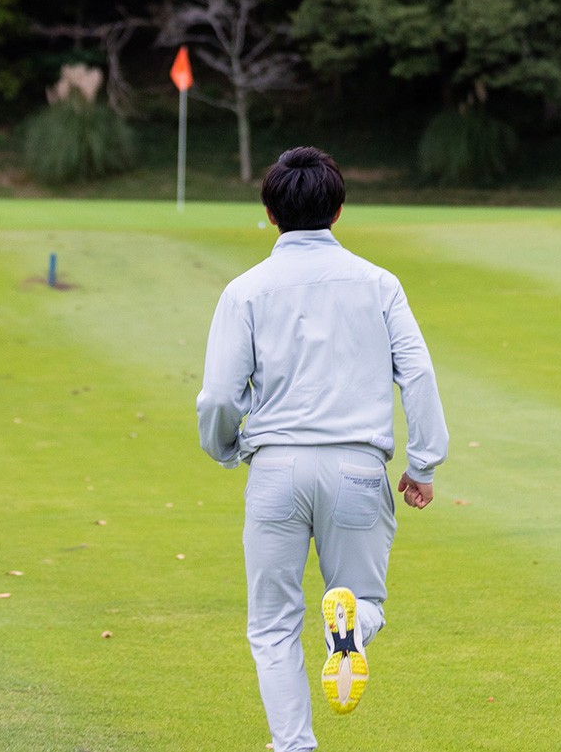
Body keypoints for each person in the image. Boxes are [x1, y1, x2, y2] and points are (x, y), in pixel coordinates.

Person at [197, 146, 449, 752]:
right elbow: (417, 374)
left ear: (269, 212)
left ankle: (294, 745)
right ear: (339, 210)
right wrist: (423, 464)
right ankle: (353, 628)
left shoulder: (245, 290)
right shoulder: (380, 284)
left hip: (277, 466)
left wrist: (225, 449)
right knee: (365, 600)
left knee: (273, 623)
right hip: (359, 467)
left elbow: (218, 397)